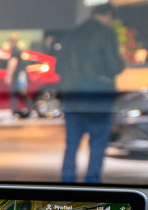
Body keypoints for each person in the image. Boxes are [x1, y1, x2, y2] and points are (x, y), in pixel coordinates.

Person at [56, 3, 124, 183]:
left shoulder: (72, 34)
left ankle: (67, 182)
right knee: (98, 144)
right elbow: (114, 65)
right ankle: (92, 184)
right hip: (98, 99)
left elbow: (59, 66)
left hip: (73, 98)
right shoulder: (106, 34)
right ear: (107, 15)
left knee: (71, 145)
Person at [5, 34, 31, 117]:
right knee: (19, 92)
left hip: (18, 76)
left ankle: (15, 111)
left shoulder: (15, 50)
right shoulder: (18, 50)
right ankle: (29, 108)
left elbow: (13, 62)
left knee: (16, 92)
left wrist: (9, 75)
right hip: (21, 75)